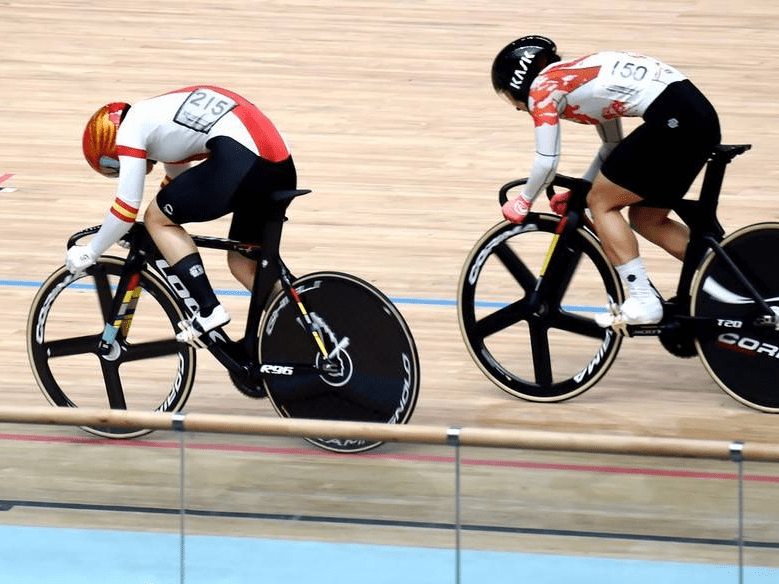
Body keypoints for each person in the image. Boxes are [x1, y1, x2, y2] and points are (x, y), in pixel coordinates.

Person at [491, 36, 721, 327]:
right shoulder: (575, 78)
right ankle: (728, 277)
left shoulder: (542, 88)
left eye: (509, 97)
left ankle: (642, 299)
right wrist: (582, 188)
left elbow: (547, 161)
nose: (516, 107)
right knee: (646, 218)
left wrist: (524, 201)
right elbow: (613, 146)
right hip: (693, 117)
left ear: (518, 82)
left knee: (601, 204)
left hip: (676, 119)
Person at [70, 85, 296, 343]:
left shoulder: (129, 131)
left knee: (157, 219)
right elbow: (177, 183)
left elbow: (126, 208)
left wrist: (92, 251)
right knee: (244, 264)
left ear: (111, 145)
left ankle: (209, 310)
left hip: (245, 161)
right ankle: (310, 327)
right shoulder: (156, 115)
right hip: (278, 167)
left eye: (112, 166)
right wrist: (129, 230)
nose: (118, 169)